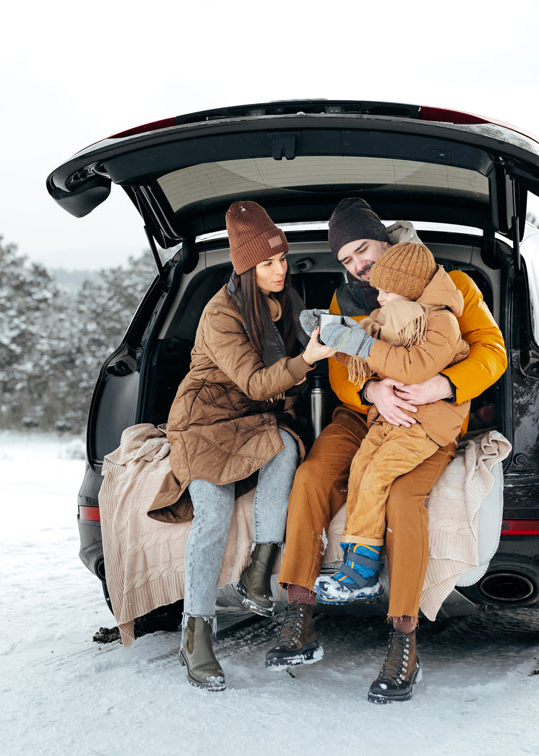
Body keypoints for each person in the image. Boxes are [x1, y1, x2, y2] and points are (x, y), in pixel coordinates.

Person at [269, 197, 506, 704]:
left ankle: (404, 641)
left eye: (363, 249)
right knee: (311, 478)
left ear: (385, 239)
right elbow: (338, 369)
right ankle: (300, 613)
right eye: (348, 259)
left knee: (401, 500)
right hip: (363, 416)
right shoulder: (345, 301)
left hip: (422, 416)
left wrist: (444, 385)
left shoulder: (454, 286)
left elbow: (492, 351)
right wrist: (371, 392)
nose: (358, 265)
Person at [163, 200, 335, 691]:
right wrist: (307, 359)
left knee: (287, 446)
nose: (279, 270)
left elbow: (279, 390)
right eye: (267, 263)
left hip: (255, 420)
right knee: (213, 515)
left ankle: (259, 571)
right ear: (245, 266)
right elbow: (258, 382)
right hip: (204, 422)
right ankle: (195, 634)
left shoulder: (285, 302)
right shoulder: (222, 313)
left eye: (282, 259)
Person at [306, 242, 470, 604]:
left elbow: (415, 367)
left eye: (386, 291)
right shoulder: (395, 315)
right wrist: (335, 329)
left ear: (409, 287)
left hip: (425, 423)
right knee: (361, 468)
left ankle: (363, 571)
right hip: (392, 419)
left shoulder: (440, 321)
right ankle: (355, 556)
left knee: (379, 474)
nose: (379, 299)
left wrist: (363, 346)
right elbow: (368, 333)